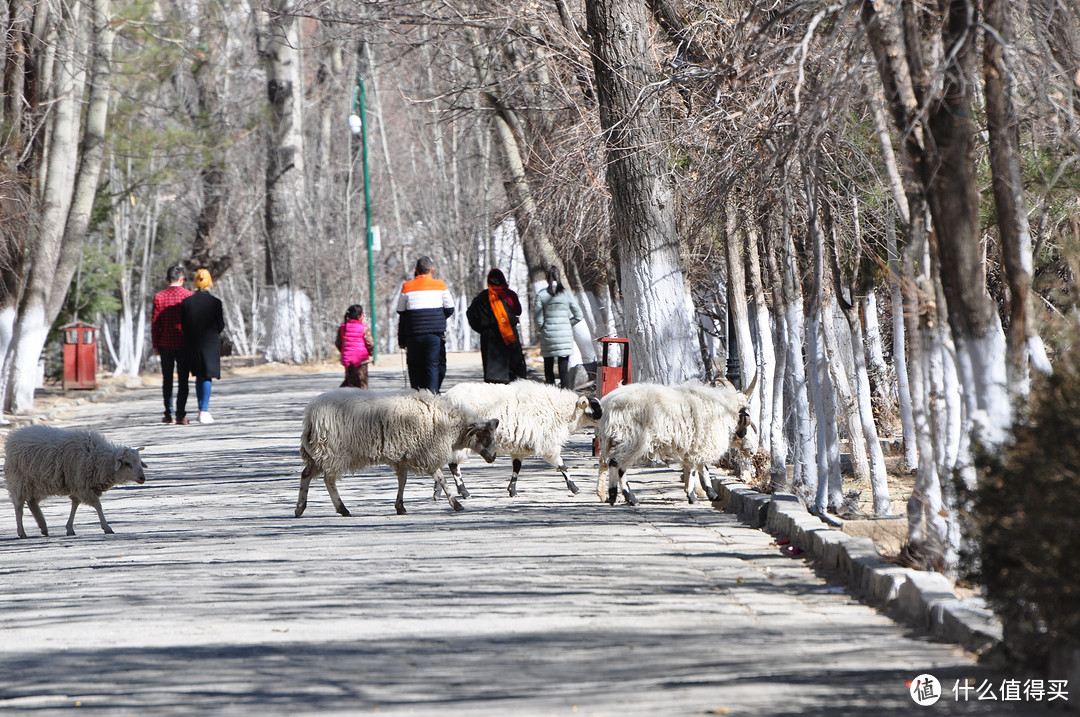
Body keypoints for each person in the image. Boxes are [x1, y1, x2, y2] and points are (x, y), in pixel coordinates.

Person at [397, 256, 454, 393]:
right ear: (431, 270)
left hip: (414, 334)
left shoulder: (407, 286)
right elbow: (450, 308)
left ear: (416, 270)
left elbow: (400, 310)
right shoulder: (440, 285)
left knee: (414, 366)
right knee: (432, 365)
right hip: (434, 334)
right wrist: (438, 318)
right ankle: (432, 395)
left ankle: (417, 395)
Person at [467, 268, 527, 384]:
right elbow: (518, 311)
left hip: (489, 337)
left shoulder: (482, 297)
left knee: (493, 374)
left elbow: (471, 314)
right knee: (514, 369)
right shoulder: (510, 295)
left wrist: (481, 329)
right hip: (509, 335)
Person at [180, 268, 225, 424]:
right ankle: (203, 410)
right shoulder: (216, 303)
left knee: (199, 375)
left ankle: (201, 408)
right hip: (210, 343)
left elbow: (183, 325)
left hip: (192, 343)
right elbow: (220, 325)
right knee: (207, 376)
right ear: (209, 282)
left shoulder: (186, 303)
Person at [151, 265, 193, 424]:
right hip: (184, 343)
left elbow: (155, 324)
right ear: (182, 278)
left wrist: (155, 345)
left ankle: (168, 414)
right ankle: (181, 415)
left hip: (165, 343)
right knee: (183, 380)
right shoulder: (189, 296)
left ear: (167, 279)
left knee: (167, 379)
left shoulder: (159, 297)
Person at [533, 265, 583, 389]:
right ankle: (565, 394)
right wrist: (567, 325)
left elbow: (538, 318)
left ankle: (550, 394)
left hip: (548, 334)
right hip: (564, 336)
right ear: (560, 277)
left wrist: (542, 329)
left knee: (548, 367)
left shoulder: (542, 295)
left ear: (546, 278)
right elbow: (579, 315)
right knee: (563, 368)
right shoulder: (566, 294)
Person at [335, 304, 375, 388]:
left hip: (347, 360)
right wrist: (370, 352)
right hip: (361, 359)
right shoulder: (363, 328)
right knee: (362, 383)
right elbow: (370, 343)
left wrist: (344, 352)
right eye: (362, 314)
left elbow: (338, 342)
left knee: (350, 382)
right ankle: (363, 399)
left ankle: (345, 398)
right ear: (358, 316)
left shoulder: (343, 327)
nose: (363, 316)